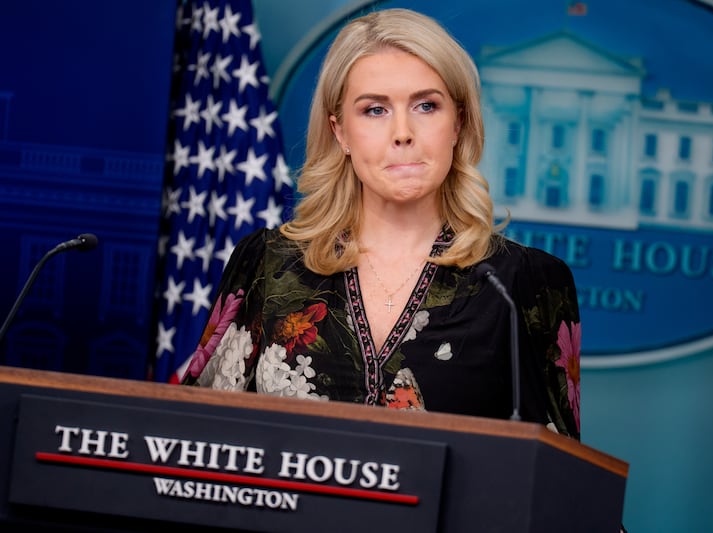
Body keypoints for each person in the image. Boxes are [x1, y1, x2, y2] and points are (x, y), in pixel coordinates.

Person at [180, 7, 581, 441]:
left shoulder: (525, 283)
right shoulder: (265, 265)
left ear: (458, 123)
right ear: (341, 132)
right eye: (375, 110)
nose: (403, 132)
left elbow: (555, 478)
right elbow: (195, 440)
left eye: (426, 106)